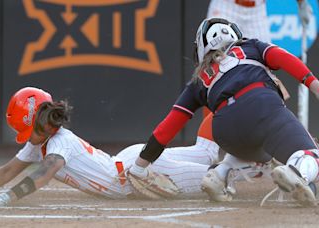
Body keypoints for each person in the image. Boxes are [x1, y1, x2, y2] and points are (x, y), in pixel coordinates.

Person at [128, 18, 319, 206]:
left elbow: (168, 128)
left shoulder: (198, 80)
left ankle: (221, 173)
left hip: (224, 130)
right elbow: (284, 58)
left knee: (260, 154)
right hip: (261, 105)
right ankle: (298, 171)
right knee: (311, 153)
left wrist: (139, 167)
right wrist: (314, 85)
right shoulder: (251, 46)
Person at [0, 87, 221, 207]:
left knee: (218, 176)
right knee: (209, 157)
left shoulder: (58, 142)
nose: (23, 137)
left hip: (137, 173)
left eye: (25, 130)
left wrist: (7, 198)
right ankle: (226, 110)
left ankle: (233, 119)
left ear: (41, 124)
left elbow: (44, 174)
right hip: (130, 164)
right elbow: (10, 169)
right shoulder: (42, 140)